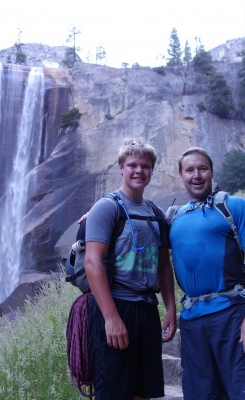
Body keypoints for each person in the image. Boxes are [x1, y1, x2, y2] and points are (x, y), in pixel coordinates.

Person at [169, 147, 245, 399]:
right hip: (192, 322)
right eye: (190, 170)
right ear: (180, 175)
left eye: (202, 168)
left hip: (233, 315)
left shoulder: (233, 205)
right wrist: (92, 217)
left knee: (244, 392)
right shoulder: (172, 219)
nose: (197, 175)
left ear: (211, 171)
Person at [84, 137, 177, 400]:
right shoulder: (107, 207)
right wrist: (111, 318)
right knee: (112, 391)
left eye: (145, 166)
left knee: (143, 391)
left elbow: (162, 265)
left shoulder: (156, 214)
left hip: (146, 309)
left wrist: (170, 308)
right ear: (121, 168)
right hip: (115, 306)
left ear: (152, 170)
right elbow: (93, 262)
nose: (139, 171)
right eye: (133, 165)